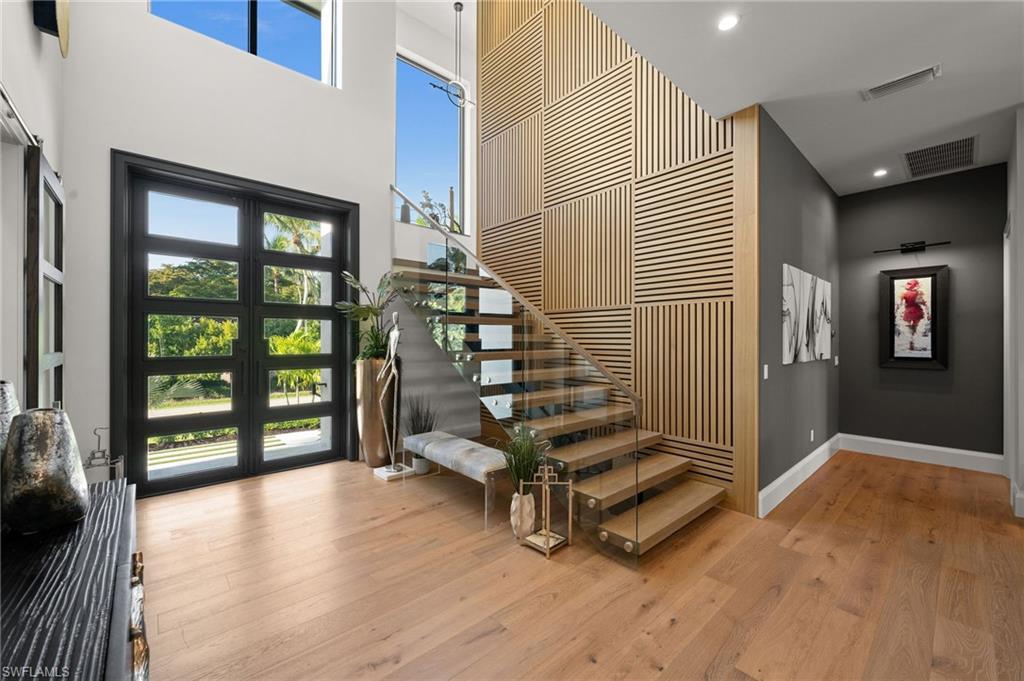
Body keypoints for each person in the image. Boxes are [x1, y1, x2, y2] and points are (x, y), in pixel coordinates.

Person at [896, 279, 930, 351]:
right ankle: (913, 344)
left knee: (909, 328)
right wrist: (928, 313)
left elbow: (899, 304)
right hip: (917, 312)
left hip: (907, 312)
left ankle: (910, 344)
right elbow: (924, 303)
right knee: (915, 328)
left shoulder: (903, 294)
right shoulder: (919, 293)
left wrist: (895, 312)